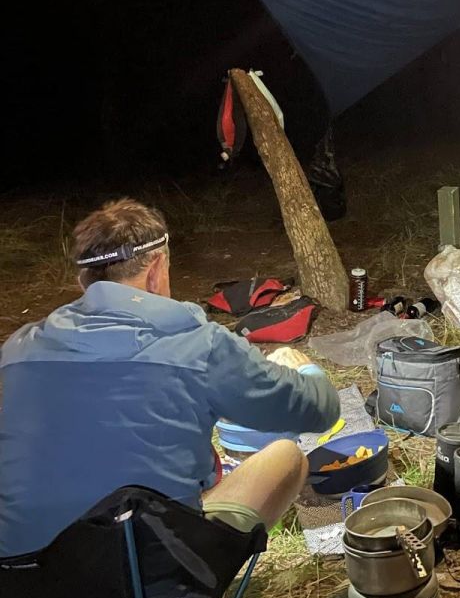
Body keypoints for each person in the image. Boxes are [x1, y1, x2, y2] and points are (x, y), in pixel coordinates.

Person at [0, 198, 341, 559]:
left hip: (25, 582)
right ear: (156, 268)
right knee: (287, 456)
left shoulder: (17, 349)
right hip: (153, 582)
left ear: (82, 282)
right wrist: (304, 368)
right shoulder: (199, 345)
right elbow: (320, 410)